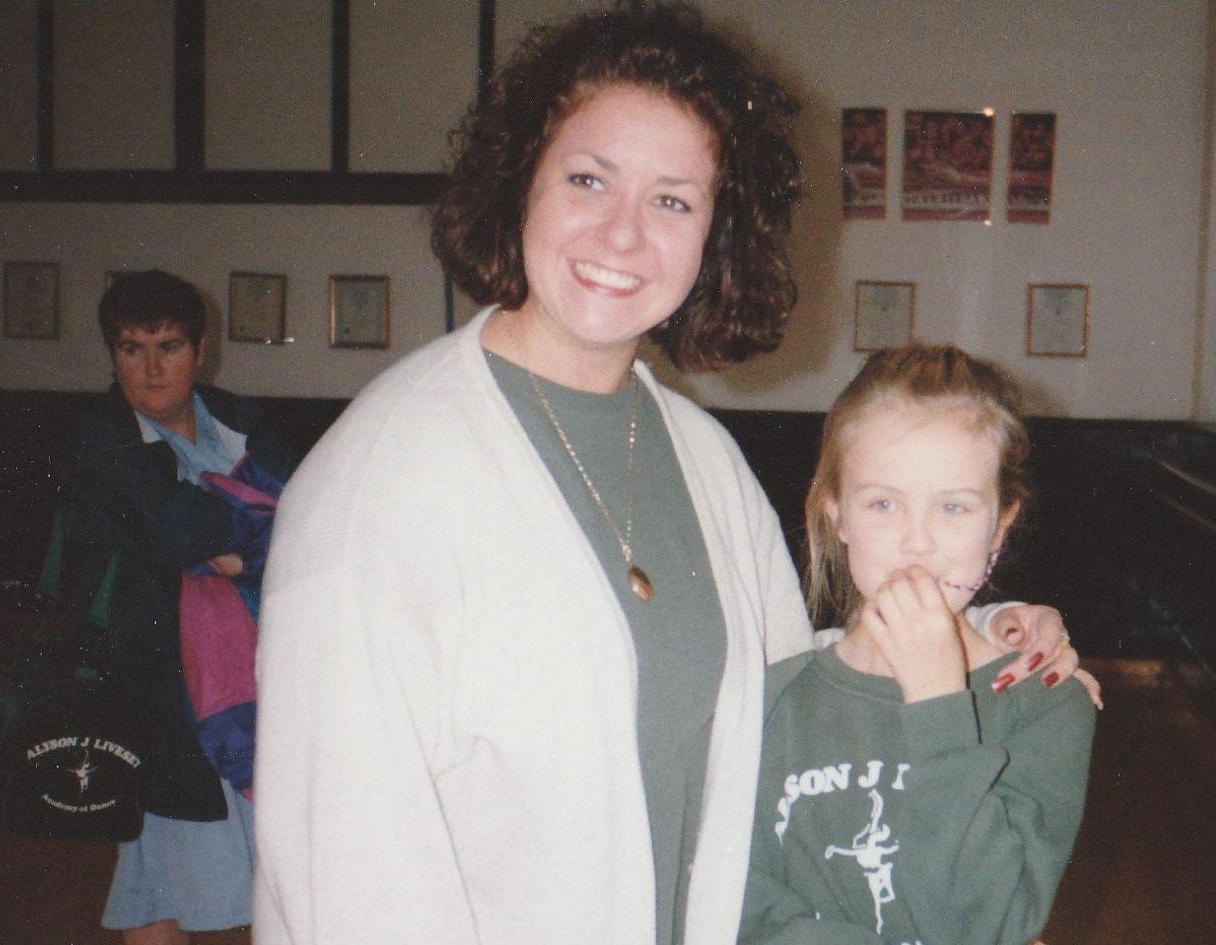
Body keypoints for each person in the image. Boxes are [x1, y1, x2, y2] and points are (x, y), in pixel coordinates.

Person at [253, 6, 1082, 945]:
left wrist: (982, 636)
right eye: (587, 179)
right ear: (520, 179)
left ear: (716, 233)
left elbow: (796, 703)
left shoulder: (701, 455)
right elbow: (341, 876)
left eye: (673, 200)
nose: (621, 234)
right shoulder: (379, 483)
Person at [739, 344, 1097, 945]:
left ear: (998, 530)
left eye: (953, 507)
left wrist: (937, 699)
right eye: (883, 503)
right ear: (838, 517)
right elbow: (741, 903)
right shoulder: (772, 698)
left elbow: (991, 925)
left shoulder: (1047, 703)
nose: (918, 542)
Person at [60, 269, 296, 945]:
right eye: (133, 349)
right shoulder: (103, 440)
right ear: (114, 357)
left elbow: (302, 514)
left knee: (270, 864)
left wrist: (238, 546)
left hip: (262, 676)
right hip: (163, 690)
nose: (152, 368)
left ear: (199, 351)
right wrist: (252, 532)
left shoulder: (243, 422)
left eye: (168, 346)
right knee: (156, 867)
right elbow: (187, 530)